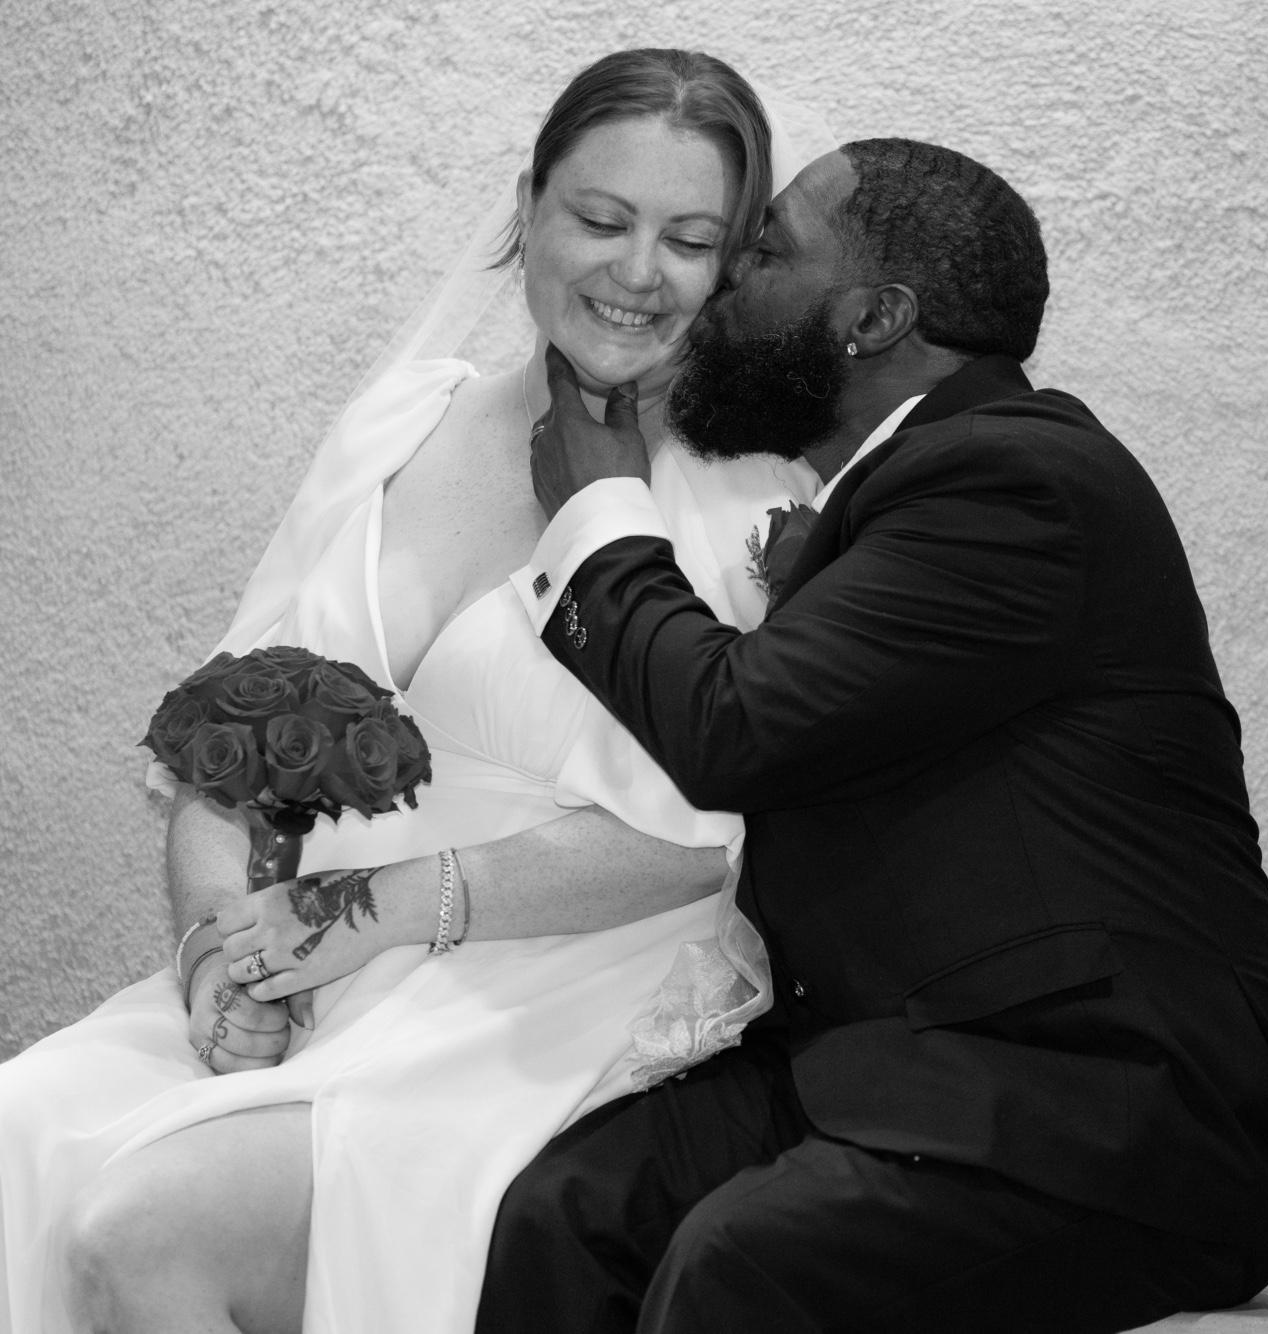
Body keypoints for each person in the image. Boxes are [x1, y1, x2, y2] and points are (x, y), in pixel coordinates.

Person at [0, 50, 834, 1334]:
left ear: (729, 266)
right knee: (20, 1128)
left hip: (546, 994)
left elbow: (698, 842)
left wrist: (369, 914)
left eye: (687, 240)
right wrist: (216, 956)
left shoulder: (748, 498)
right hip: (311, 965)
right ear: (528, 206)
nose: (636, 272)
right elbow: (230, 743)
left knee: (141, 1230)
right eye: (600, 218)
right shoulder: (405, 422)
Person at [475, 138, 1268, 1332]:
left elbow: (734, 726)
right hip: (895, 1065)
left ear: (872, 318)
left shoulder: (1016, 478)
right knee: (567, 1209)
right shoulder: (898, 492)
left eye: (767, 252)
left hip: (1114, 1099)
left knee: (744, 1264)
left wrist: (598, 514)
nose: (725, 279)